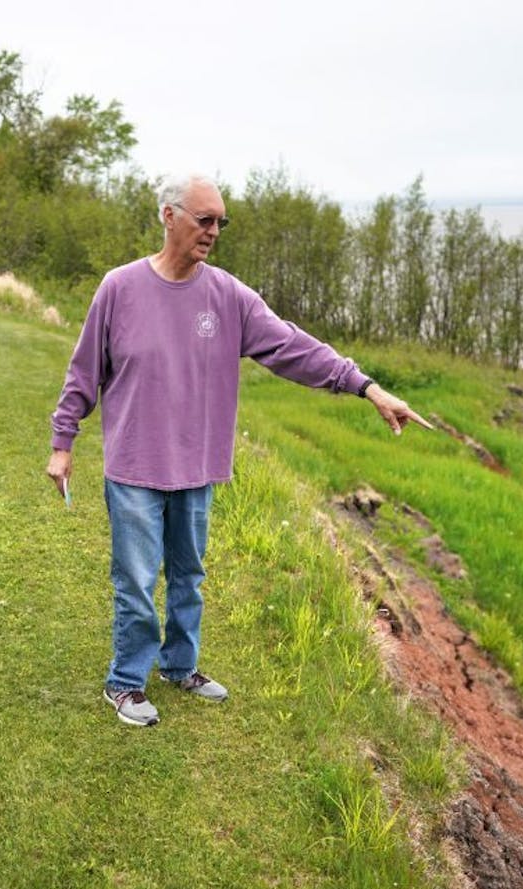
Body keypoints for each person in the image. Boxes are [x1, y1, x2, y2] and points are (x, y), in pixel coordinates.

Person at [47, 173, 432, 727]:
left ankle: (179, 666)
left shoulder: (228, 297)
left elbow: (295, 347)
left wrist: (368, 387)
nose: (213, 231)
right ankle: (126, 682)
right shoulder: (119, 288)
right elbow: (84, 373)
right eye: (204, 219)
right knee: (134, 580)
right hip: (133, 465)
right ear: (168, 216)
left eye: (220, 222)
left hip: (197, 467)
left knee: (189, 576)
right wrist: (63, 442)